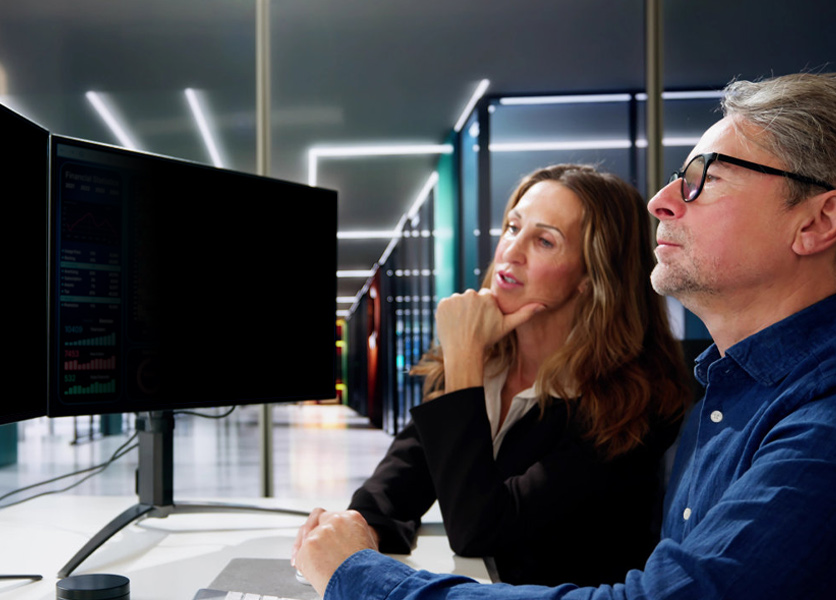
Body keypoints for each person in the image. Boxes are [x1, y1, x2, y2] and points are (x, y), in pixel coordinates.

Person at [295, 72, 836, 599]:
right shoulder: (730, 393)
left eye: (706, 177)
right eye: (512, 227)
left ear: (817, 222)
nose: (662, 202)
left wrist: (360, 577)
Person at [291, 164, 691, 586]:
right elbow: (390, 493)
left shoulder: (631, 405)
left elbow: (478, 531)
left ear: (591, 277)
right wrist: (355, 531)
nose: (511, 252)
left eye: (544, 241)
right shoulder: (492, 367)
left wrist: (464, 359)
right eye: (512, 228)